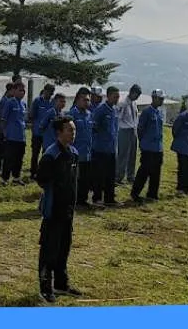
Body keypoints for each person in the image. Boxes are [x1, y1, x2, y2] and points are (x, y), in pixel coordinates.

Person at [36, 117, 82, 302]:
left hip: (68, 210)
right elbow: (41, 179)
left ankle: (61, 284)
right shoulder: (51, 154)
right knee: (49, 249)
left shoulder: (74, 153)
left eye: (74, 129)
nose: (73, 133)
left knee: (64, 247)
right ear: (59, 132)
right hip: (54, 208)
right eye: (69, 130)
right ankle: (45, 287)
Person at [131, 88, 166, 203]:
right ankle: (135, 193)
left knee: (156, 172)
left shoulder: (159, 112)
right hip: (148, 147)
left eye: (162, 99)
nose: (161, 101)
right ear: (154, 98)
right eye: (160, 99)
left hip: (158, 147)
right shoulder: (146, 112)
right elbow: (140, 129)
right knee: (144, 171)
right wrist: (143, 143)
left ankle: (152, 194)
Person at [90, 86, 120, 206]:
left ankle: (109, 198)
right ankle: (97, 198)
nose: (117, 99)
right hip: (100, 148)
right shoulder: (101, 110)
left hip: (111, 148)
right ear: (108, 96)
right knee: (99, 175)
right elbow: (94, 126)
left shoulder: (114, 110)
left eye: (118, 97)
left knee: (110, 175)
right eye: (115, 96)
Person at [67, 88, 94, 207]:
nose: (87, 102)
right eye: (85, 100)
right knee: (75, 179)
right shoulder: (72, 114)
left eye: (88, 100)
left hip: (87, 153)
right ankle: (74, 201)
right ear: (78, 99)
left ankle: (83, 200)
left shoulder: (89, 114)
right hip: (76, 153)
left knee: (85, 179)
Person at [0, 81, 28, 184]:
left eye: (24, 91)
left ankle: (16, 178)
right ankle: (4, 178)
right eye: (20, 90)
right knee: (8, 158)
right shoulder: (9, 102)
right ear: (14, 91)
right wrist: (4, 134)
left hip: (21, 137)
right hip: (11, 137)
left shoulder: (24, 104)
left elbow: (23, 120)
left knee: (19, 158)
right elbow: (3, 120)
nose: (22, 93)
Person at [115, 85, 143, 185]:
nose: (137, 97)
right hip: (124, 130)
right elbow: (118, 117)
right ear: (131, 92)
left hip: (133, 130)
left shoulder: (134, 103)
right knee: (123, 154)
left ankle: (131, 175)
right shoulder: (123, 103)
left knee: (132, 154)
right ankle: (118, 176)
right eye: (136, 94)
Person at [28, 85, 56, 175]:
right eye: (49, 92)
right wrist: (34, 127)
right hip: (37, 132)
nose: (50, 94)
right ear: (44, 91)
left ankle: (43, 171)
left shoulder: (52, 103)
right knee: (35, 153)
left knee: (46, 153)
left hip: (47, 134)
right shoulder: (37, 101)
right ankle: (33, 172)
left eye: (52, 93)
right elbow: (31, 115)